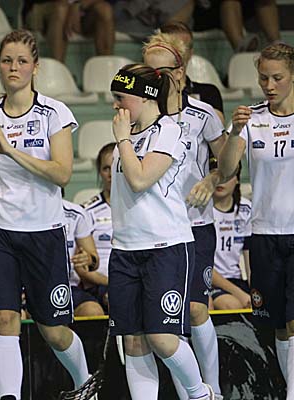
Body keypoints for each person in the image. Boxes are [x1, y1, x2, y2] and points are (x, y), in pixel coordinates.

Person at [0, 29, 93, 399]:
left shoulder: (55, 113)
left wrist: (11, 151)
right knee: (5, 319)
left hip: (43, 232)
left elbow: (62, 173)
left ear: (35, 67)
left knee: (52, 330)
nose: (14, 67)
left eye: (22, 61)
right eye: (7, 60)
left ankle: (85, 383)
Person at [108, 63, 214, 400]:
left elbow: (140, 179)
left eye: (121, 98)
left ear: (145, 96)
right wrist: (124, 140)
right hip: (125, 248)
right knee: (134, 340)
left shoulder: (169, 132)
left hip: (165, 247)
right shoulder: (124, 139)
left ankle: (200, 394)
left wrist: (123, 139)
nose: (116, 106)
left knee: (162, 338)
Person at [143, 32, 227, 399]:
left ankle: (213, 390)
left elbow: (228, 163)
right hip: (156, 232)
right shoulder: (141, 116)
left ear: (179, 72)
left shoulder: (203, 114)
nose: (156, 79)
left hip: (195, 227)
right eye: (149, 71)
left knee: (194, 309)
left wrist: (212, 179)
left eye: (162, 71)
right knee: (168, 319)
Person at [218, 42, 294, 398]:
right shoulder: (251, 118)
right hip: (264, 233)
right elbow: (226, 170)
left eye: (277, 77)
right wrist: (234, 132)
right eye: (263, 78)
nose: (269, 85)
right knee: (277, 325)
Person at [159, 21, 225, 122]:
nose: (176, 53)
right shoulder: (148, 92)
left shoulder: (208, 92)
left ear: (191, 53)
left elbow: (218, 127)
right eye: (170, 47)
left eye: (182, 47)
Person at [210, 162, 252, 310]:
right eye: (216, 175)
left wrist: (255, 292)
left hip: (236, 279)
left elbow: (250, 260)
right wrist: (239, 294)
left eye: (227, 176)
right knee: (231, 304)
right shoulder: (200, 211)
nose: (221, 181)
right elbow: (201, 265)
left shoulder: (245, 209)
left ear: (237, 179)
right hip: (209, 282)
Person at [82, 142, 115, 310]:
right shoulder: (86, 211)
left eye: (115, 167)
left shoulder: (141, 209)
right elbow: (81, 266)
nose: (111, 174)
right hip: (100, 285)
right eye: (106, 168)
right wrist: (112, 283)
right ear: (99, 172)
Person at [62, 197, 104, 317]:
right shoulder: (23, 213)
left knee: (92, 311)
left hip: (68, 286)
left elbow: (94, 262)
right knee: (18, 314)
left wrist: (88, 260)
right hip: (32, 286)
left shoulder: (76, 214)